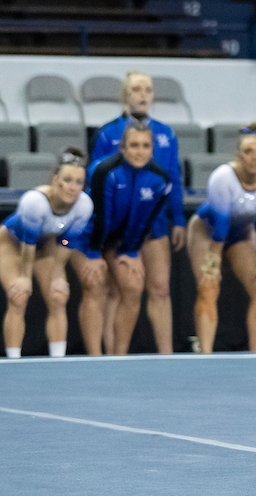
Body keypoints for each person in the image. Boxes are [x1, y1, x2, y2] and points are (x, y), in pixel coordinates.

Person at [91, 70, 185, 355]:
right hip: (118, 225)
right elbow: (97, 179)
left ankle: (166, 356)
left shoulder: (166, 133)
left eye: (148, 90)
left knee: (160, 288)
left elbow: (173, 177)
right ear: (125, 95)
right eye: (136, 89)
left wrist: (179, 219)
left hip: (154, 223)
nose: (143, 95)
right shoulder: (108, 132)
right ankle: (112, 356)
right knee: (115, 289)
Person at [74, 120, 175, 355]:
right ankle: (95, 357)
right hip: (81, 239)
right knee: (94, 283)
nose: (139, 151)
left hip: (115, 241)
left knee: (133, 286)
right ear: (123, 148)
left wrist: (131, 250)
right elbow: (101, 217)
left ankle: (119, 357)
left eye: (145, 146)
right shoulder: (104, 171)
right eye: (134, 145)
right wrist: (93, 254)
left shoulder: (160, 179)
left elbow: (145, 221)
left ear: (152, 149)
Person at [185, 123, 256, 353]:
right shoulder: (222, 177)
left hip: (240, 233)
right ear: (238, 155)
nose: (254, 157)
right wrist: (213, 262)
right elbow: (220, 224)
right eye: (248, 151)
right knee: (208, 286)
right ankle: (205, 352)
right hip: (206, 231)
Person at [0, 150, 92, 358]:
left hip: (46, 245)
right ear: (55, 180)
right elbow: (28, 242)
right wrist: (24, 277)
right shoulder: (34, 202)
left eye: (78, 182)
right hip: (13, 242)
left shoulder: (84, 206)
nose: (72, 187)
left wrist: (57, 275)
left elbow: (67, 241)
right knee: (19, 296)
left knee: (58, 296)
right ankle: (13, 361)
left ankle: (58, 361)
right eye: (67, 180)